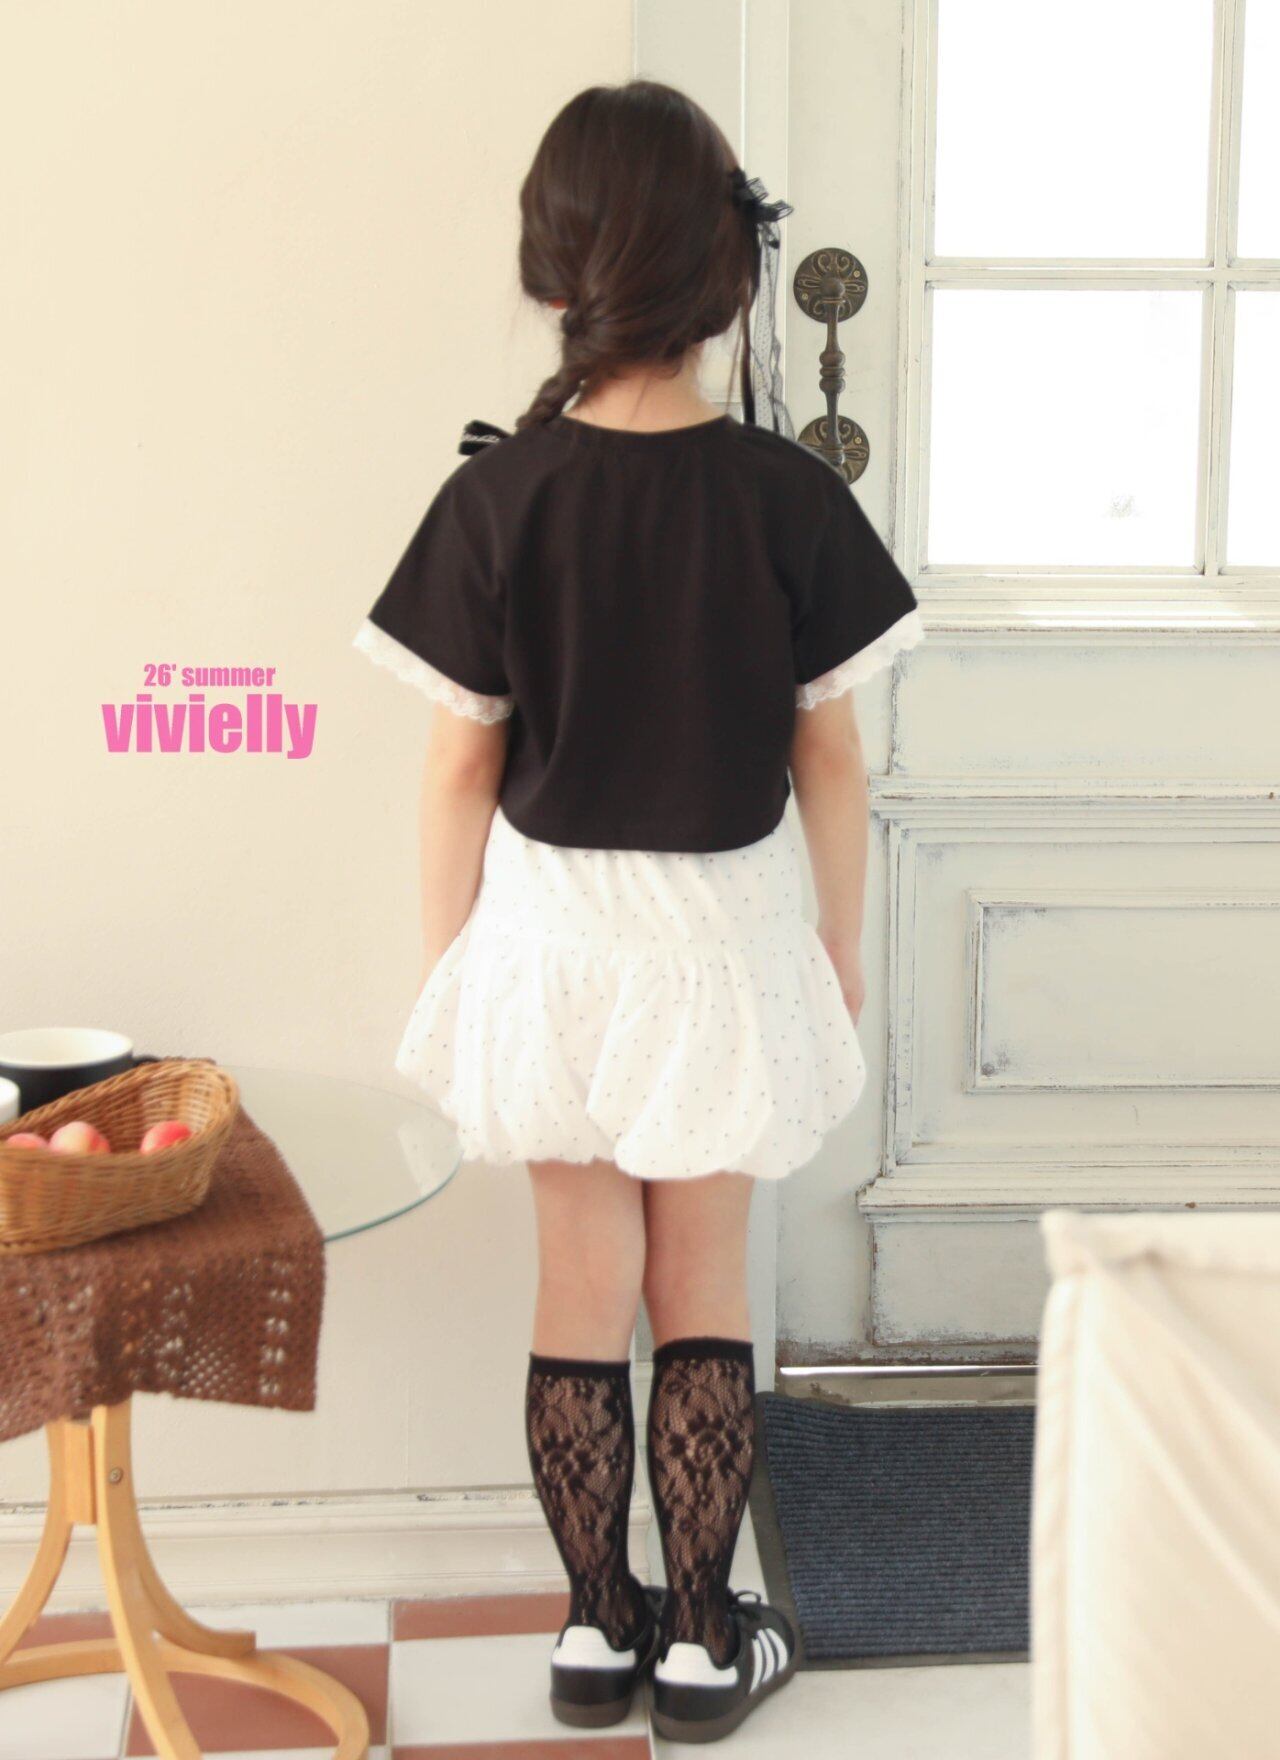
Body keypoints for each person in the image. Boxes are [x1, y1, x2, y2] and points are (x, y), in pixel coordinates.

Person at [356, 78, 922, 1745]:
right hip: (724, 939)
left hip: (553, 943)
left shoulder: (496, 498)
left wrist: (455, 960)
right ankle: (702, 1645)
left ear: (556, 270)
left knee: (576, 1286)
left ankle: (593, 1633)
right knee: (704, 1286)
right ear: (730, 275)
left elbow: (458, 771)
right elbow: (832, 758)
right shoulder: (789, 499)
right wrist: (839, 942)